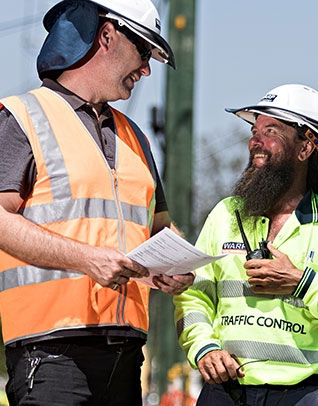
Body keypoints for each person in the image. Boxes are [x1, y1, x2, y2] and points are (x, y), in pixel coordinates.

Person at [0, 1, 194, 405]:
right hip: (51, 355)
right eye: (144, 52)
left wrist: (173, 268)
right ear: (106, 36)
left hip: (126, 358)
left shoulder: (134, 136)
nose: (146, 70)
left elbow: (157, 227)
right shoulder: (21, 117)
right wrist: (87, 259)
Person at [174, 83, 318, 405]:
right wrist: (204, 350)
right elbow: (193, 296)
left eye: (271, 131)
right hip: (225, 392)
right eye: (255, 130)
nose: (256, 141)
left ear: (306, 147)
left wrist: (302, 283)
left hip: (305, 394)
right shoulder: (225, 214)